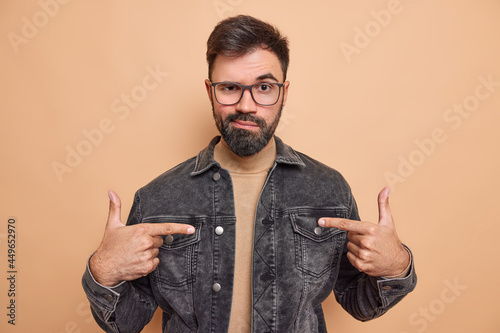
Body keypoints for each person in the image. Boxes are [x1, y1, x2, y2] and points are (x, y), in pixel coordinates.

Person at [82, 15, 416, 333]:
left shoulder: (328, 190)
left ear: (283, 92)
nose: (246, 105)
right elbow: (128, 322)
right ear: (210, 91)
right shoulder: (158, 197)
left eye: (264, 87)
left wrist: (396, 267)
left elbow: (359, 303)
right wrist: (102, 272)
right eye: (229, 87)